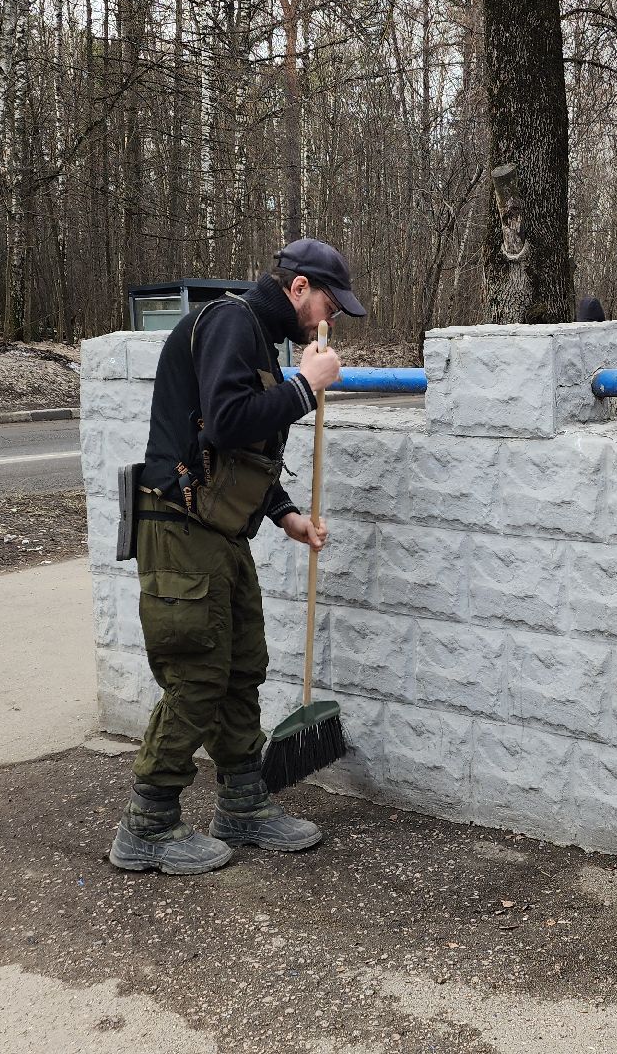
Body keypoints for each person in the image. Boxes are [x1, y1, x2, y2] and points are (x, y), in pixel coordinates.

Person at [109, 237, 364, 876]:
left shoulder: (257, 337)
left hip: (219, 532)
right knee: (197, 674)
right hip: (178, 529)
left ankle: (244, 803)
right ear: (299, 287)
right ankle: (149, 822)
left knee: (242, 663)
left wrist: (286, 516)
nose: (331, 314)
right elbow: (226, 420)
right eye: (330, 300)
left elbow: (240, 451)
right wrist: (306, 387)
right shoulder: (230, 321)